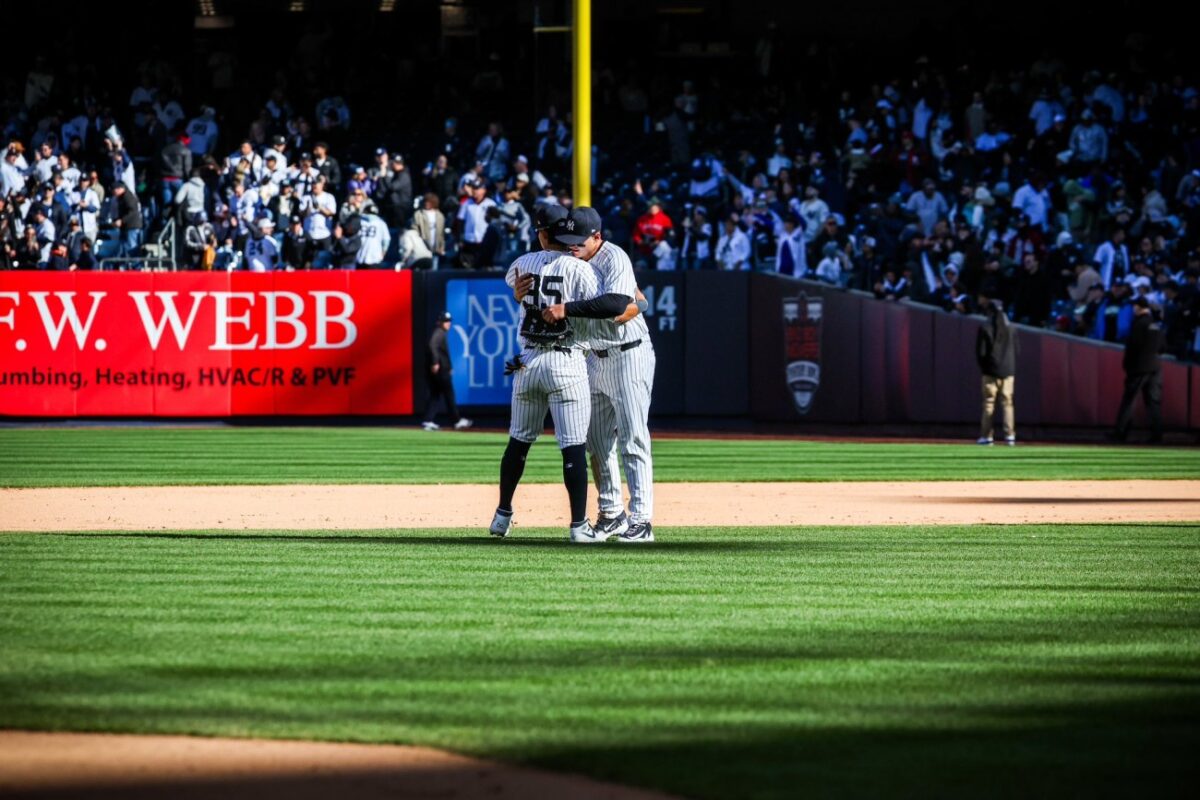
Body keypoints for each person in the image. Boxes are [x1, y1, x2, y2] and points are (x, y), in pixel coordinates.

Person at [491, 210, 631, 544]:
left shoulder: (522, 263)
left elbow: (516, 286)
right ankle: (578, 525)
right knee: (572, 448)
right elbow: (610, 302)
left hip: (526, 363)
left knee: (518, 443)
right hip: (566, 360)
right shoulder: (579, 268)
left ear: (542, 233)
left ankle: (502, 515)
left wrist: (520, 295)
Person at [519, 206, 656, 543]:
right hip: (593, 355)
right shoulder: (566, 260)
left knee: (633, 437)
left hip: (629, 353)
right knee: (596, 441)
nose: (572, 246)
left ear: (598, 236)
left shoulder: (614, 257)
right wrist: (519, 291)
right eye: (568, 240)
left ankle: (642, 520)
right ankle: (611, 513)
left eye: (579, 240)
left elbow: (620, 302)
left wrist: (568, 308)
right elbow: (639, 300)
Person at [1111, 297, 1163, 443]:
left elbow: (1133, 346)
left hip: (1139, 367)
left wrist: (1127, 365)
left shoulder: (1139, 323)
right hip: (1155, 367)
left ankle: (1120, 433)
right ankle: (1157, 435)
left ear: (1139, 307)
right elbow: (1163, 347)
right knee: (1153, 402)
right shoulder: (1156, 324)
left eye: (1135, 306)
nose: (1133, 309)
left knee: (1129, 400)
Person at [975, 299, 1019, 446]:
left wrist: (985, 368)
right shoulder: (1011, 328)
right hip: (1008, 372)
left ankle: (986, 436)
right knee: (1007, 403)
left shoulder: (985, 327)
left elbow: (981, 353)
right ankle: (1010, 435)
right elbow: (1017, 350)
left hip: (990, 371)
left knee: (989, 403)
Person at [422, 311, 473, 432]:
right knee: (449, 395)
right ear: (439, 322)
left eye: (449, 321)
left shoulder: (441, 332)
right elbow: (432, 345)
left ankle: (428, 420)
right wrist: (435, 362)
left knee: (435, 395)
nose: (448, 323)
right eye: (445, 321)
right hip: (441, 371)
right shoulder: (439, 332)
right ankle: (456, 421)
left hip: (441, 369)